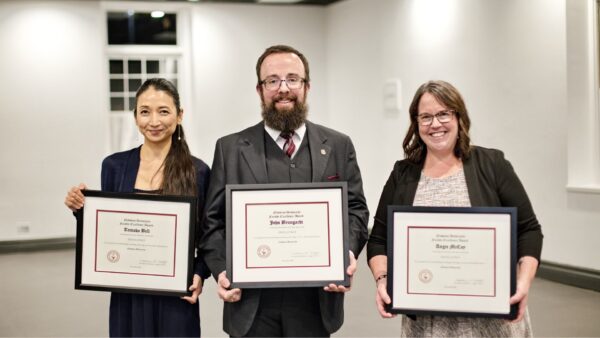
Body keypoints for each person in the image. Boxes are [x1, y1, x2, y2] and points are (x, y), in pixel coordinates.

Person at [200, 44, 369, 337]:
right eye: (272, 81)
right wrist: (223, 270)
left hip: (315, 301)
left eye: (292, 79)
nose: (283, 88)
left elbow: (356, 210)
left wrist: (347, 253)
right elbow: (212, 223)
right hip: (251, 304)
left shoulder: (339, 145)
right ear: (259, 89)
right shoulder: (229, 148)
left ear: (306, 86)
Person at [367, 80, 543, 337]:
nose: (435, 124)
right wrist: (383, 280)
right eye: (425, 117)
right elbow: (379, 240)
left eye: (443, 114)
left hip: (492, 322)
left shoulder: (492, 164)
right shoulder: (402, 174)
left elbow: (529, 230)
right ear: (416, 123)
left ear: (459, 117)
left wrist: (522, 283)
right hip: (428, 325)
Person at [64, 78, 211, 337]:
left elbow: (208, 234)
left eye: (163, 111)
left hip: (176, 293)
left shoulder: (197, 171)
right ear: (135, 117)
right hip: (127, 289)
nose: (153, 121)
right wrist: (82, 209)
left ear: (179, 116)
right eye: (145, 111)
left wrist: (199, 274)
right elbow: (108, 229)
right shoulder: (114, 166)